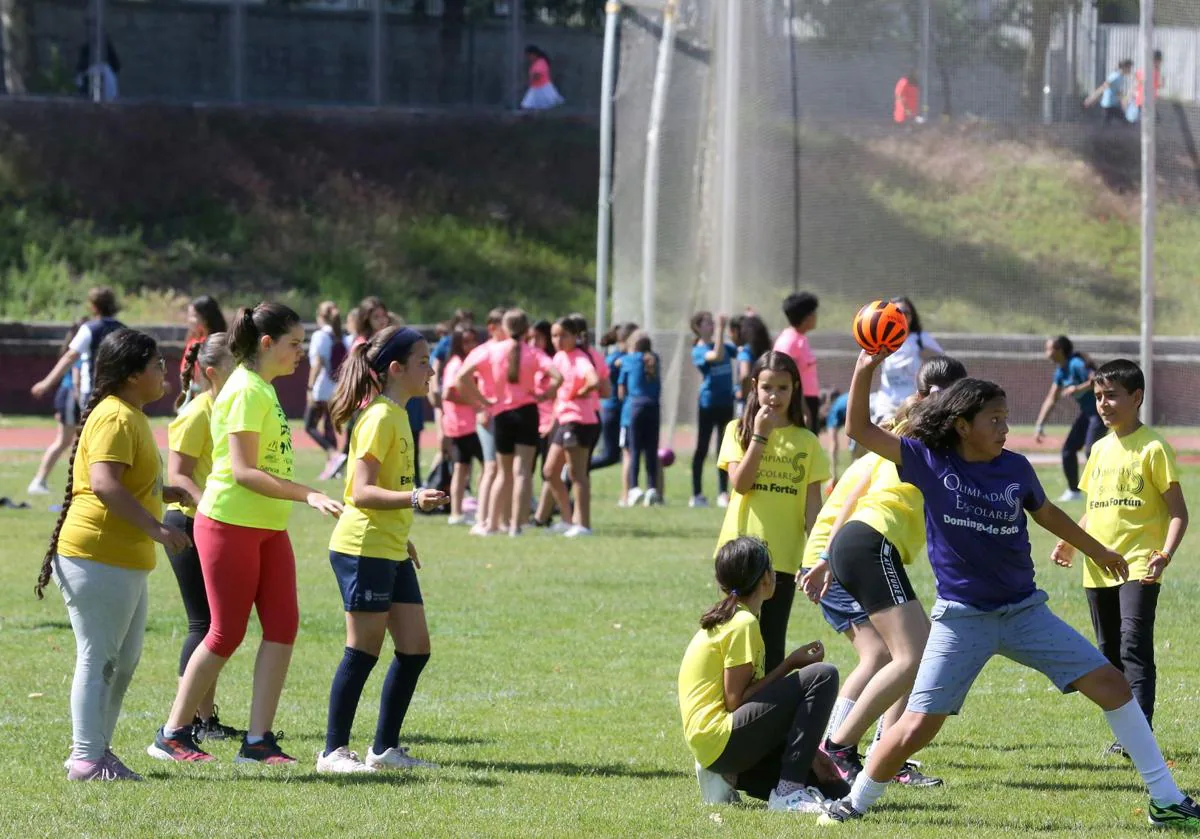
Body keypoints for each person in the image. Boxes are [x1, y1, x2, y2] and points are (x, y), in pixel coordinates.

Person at [819, 350, 1200, 827]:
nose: (1004, 428)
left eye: (1006, 418)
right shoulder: (927, 460)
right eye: (994, 419)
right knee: (917, 726)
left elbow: (1048, 513)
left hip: (1025, 614)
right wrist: (863, 369)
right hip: (962, 620)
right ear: (962, 425)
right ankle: (852, 803)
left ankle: (1165, 800)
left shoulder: (1015, 468)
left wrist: (1097, 550)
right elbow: (859, 430)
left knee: (1112, 684)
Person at [148, 303, 343, 765]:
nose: (301, 353)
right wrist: (308, 494)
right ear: (267, 344)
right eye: (294, 344)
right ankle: (172, 734)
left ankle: (257, 742)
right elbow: (242, 473)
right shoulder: (244, 390)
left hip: (268, 527)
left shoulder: (264, 389)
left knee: (282, 626)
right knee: (225, 632)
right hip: (229, 523)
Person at [801, 357, 968, 789]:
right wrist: (822, 558)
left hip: (861, 547)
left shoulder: (921, 438)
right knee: (900, 656)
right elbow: (853, 493)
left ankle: (875, 755)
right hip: (860, 544)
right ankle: (838, 748)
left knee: (910, 654)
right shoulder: (907, 436)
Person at [36, 328, 190, 781]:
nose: (164, 370)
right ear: (131, 374)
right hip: (96, 553)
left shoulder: (131, 414)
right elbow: (103, 484)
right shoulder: (118, 416)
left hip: (122, 558)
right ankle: (87, 758)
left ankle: (97, 751)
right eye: (157, 363)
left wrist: (164, 490)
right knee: (100, 656)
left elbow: (123, 478)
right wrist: (158, 528)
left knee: (123, 661)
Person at [317, 326, 448, 773]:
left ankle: (384, 750)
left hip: (388, 546)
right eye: (423, 362)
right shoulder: (379, 417)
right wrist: (414, 499)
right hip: (363, 547)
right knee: (363, 650)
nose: (431, 370)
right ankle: (332, 753)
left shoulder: (398, 415)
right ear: (396, 369)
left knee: (415, 649)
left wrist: (402, 532)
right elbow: (362, 492)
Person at [1051, 359, 1188, 752]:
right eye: (1097, 396)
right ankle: (1125, 733)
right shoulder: (1098, 448)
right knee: (1109, 655)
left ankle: (1138, 737)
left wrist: (1165, 553)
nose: (1103, 404)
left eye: (1111, 395)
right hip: (1098, 567)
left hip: (1141, 562)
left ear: (1136, 397)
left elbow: (1179, 512)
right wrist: (1072, 541)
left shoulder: (1153, 447)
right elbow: (1096, 507)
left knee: (1133, 646)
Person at [678, 536, 842, 812]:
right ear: (766, 579)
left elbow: (765, 708)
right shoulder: (742, 623)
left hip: (720, 745)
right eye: (772, 568)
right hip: (722, 740)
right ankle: (788, 793)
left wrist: (810, 752)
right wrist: (790, 664)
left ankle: (729, 776)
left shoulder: (734, 618)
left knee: (835, 790)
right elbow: (735, 701)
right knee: (822, 675)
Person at [716, 351, 829, 673]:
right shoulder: (737, 430)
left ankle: (767, 713)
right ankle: (734, 710)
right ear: (754, 387)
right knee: (736, 638)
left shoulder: (807, 442)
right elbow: (740, 484)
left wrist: (817, 559)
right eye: (767, 387)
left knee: (771, 643)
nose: (774, 396)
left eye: (783, 387)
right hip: (738, 552)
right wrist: (760, 437)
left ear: (795, 388)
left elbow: (813, 511)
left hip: (781, 559)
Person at [164, 332, 244, 744]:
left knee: (217, 623)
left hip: (215, 523)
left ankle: (204, 719)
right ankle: (190, 720)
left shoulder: (234, 407)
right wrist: (207, 505)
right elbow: (176, 475)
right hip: (188, 523)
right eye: (236, 360)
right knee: (204, 623)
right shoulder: (198, 412)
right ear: (211, 371)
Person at [453, 309, 561, 537]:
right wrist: (545, 394)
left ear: (504, 326)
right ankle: (515, 525)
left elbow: (461, 377)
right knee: (522, 472)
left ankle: (491, 524)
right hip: (528, 413)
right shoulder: (533, 353)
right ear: (526, 329)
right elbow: (558, 376)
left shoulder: (491, 351)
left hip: (501, 413)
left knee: (503, 473)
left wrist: (482, 401)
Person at [536, 315, 603, 537]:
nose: (558, 339)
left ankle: (583, 524)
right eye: (554, 335)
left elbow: (594, 381)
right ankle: (567, 518)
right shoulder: (559, 358)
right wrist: (550, 421)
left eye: (563, 335)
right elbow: (555, 391)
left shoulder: (580, 358)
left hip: (580, 421)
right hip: (564, 421)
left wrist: (579, 392)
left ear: (575, 336)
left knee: (577, 474)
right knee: (549, 471)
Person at [31, 286, 124, 420]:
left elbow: (70, 356)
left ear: (94, 307)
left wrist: (46, 383)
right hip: (118, 393)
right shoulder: (123, 329)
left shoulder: (89, 329)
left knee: (90, 434)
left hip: (93, 392)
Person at [1034, 335, 1102, 502]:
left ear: (1060, 350)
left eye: (1048, 349)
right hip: (1087, 414)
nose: (1046, 353)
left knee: (1090, 451)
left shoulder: (1076, 364)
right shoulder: (1060, 371)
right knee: (1068, 450)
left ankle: (1103, 491)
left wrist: (1077, 388)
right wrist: (1039, 425)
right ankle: (1074, 492)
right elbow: (1052, 398)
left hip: (1100, 413)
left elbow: (1097, 380)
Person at [28, 319, 86, 496]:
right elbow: (76, 379)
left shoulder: (73, 349)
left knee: (71, 441)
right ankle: (38, 481)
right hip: (70, 396)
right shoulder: (79, 352)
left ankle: (41, 481)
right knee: (64, 441)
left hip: (67, 396)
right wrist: (81, 404)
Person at [463, 308, 506, 536]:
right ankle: (482, 519)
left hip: (507, 415)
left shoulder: (509, 349)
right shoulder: (485, 351)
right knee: (491, 467)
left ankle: (498, 519)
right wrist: (481, 403)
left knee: (502, 468)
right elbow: (462, 378)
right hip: (490, 415)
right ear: (492, 328)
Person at [690, 311, 738, 509]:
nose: (712, 326)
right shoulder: (698, 351)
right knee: (702, 448)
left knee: (724, 449)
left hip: (727, 402)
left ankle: (722, 492)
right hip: (708, 404)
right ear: (698, 328)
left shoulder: (725, 346)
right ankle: (697, 494)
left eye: (713, 323)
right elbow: (716, 356)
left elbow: (742, 350)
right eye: (708, 323)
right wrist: (720, 329)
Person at [870, 296, 942, 422]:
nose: (902, 315)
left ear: (912, 315)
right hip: (886, 404)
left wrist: (924, 352)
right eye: (897, 312)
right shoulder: (883, 338)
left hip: (911, 404)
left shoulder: (921, 338)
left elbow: (944, 362)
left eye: (906, 312)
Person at [441, 325, 485, 526]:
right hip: (465, 425)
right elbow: (448, 393)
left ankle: (458, 512)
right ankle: (479, 510)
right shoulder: (457, 364)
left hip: (462, 425)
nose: (471, 345)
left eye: (473, 340)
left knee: (462, 468)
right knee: (488, 466)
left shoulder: (464, 362)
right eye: (465, 341)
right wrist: (475, 401)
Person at [619, 330, 662, 507]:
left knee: (634, 449)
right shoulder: (655, 360)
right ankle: (652, 488)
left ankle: (634, 488)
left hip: (635, 407)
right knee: (651, 450)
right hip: (654, 407)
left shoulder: (628, 360)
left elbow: (621, 392)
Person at [592, 322, 637, 476]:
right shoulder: (615, 360)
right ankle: (576, 469)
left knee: (626, 453)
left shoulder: (628, 358)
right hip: (613, 411)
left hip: (624, 411)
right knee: (610, 456)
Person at [310, 301, 348, 481]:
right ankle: (334, 468)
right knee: (328, 427)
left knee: (309, 425)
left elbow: (317, 362)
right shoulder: (340, 335)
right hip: (336, 387)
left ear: (320, 316)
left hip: (322, 387)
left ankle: (333, 454)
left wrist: (309, 387)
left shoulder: (320, 335)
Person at [773, 293, 821, 434]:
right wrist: (802, 406)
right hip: (800, 401)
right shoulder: (789, 342)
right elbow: (784, 376)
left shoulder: (800, 338)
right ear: (806, 317)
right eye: (813, 312)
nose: (816, 316)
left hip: (808, 399)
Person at [180, 296, 227, 403]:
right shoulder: (194, 341)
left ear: (205, 319)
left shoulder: (215, 346)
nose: (189, 320)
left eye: (193, 316)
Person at [736, 314, 773, 415]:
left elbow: (745, 375)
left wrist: (745, 395)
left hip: (748, 402)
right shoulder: (767, 350)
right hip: (765, 398)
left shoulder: (746, 351)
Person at [1085, 59, 1135, 125]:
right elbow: (1103, 87)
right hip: (1109, 105)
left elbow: (1116, 91)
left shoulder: (1120, 77)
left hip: (1113, 104)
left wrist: (1124, 99)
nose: (1130, 70)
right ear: (1124, 67)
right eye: (1129, 68)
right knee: (1126, 123)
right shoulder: (1115, 76)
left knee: (1108, 124)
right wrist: (1091, 99)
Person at [521, 45, 565, 110]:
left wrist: (529, 81)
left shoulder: (541, 62)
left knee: (551, 104)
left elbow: (537, 75)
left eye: (529, 55)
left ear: (534, 54)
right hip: (536, 88)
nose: (528, 58)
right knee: (527, 106)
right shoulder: (537, 62)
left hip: (543, 88)